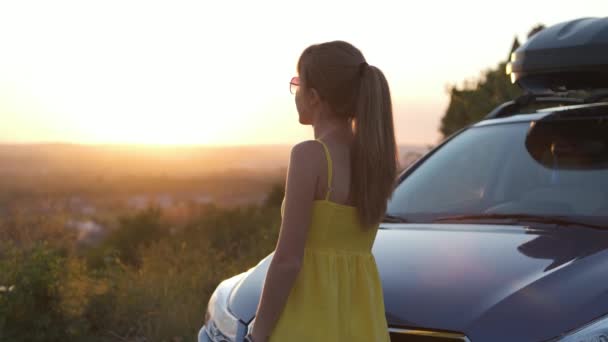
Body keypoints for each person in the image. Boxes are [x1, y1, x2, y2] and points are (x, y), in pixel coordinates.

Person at [246, 40, 398, 342]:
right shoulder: (376, 160)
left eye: (298, 83)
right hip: (364, 324)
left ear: (314, 97)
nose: (296, 92)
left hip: (307, 323)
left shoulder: (310, 156)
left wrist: (257, 333)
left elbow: (288, 259)